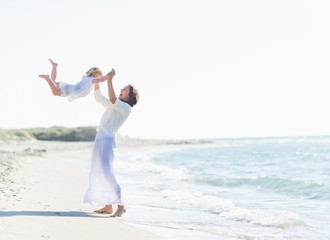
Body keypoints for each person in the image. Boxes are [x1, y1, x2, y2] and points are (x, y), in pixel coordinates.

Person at [83, 69, 139, 217]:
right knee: (99, 171)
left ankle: (121, 206)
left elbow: (113, 99)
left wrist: (109, 80)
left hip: (108, 140)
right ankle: (108, 206)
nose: (122, 90)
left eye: (125, 90)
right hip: (101, 137)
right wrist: (96, 81)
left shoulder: (125, 107)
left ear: (130, 96)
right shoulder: (116, 105)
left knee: (107, 172)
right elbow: (99, 98)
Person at [39, 59, 108, 101]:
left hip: (73, 88)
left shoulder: (87, 78)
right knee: (55, 92)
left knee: (53, 82)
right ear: (96, 74)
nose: (99, 78)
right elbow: (102, 80)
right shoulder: (92, 79)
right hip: (74, 90)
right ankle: (47, 79)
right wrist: (110, 75)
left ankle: (54, 66)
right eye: (100, 76)